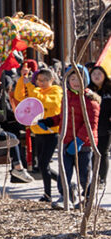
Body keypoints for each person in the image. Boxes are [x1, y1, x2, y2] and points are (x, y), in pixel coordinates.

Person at [14, 66, 63, 204]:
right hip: (38, 132)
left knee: (43, 163)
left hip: (51, 132)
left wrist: (30, 85)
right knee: (43, 165)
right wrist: (22, 82)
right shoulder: (35, 90)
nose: (41, 83)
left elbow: (45, 102)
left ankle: (61, 188)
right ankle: (52, 192)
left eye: (45, 80)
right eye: (39, 80)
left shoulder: (56, 91)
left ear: (52, 79)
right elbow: (20, 97)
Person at [60, 65, 101, 209]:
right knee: (64, 173)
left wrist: (79, 141)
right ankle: (67, 198)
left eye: (79, 78)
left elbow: (91, 123)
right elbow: (62, 117)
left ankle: (89, 198)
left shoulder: (90, 100)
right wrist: (49, 121)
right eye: (72, 78)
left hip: (84, 145)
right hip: (66, 142)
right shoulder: (66, 97)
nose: (76, 81)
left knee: (84, 175)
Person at [88, 65, 111, 187]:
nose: (96, 76)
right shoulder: (87, 90)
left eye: (99, 74)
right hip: (90, 126)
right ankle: (94, 177)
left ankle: (102, 178)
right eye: (94, 74)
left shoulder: (109, 89)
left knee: (103, 152)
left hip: (105, 126)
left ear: (104, 75)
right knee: (92, 153)